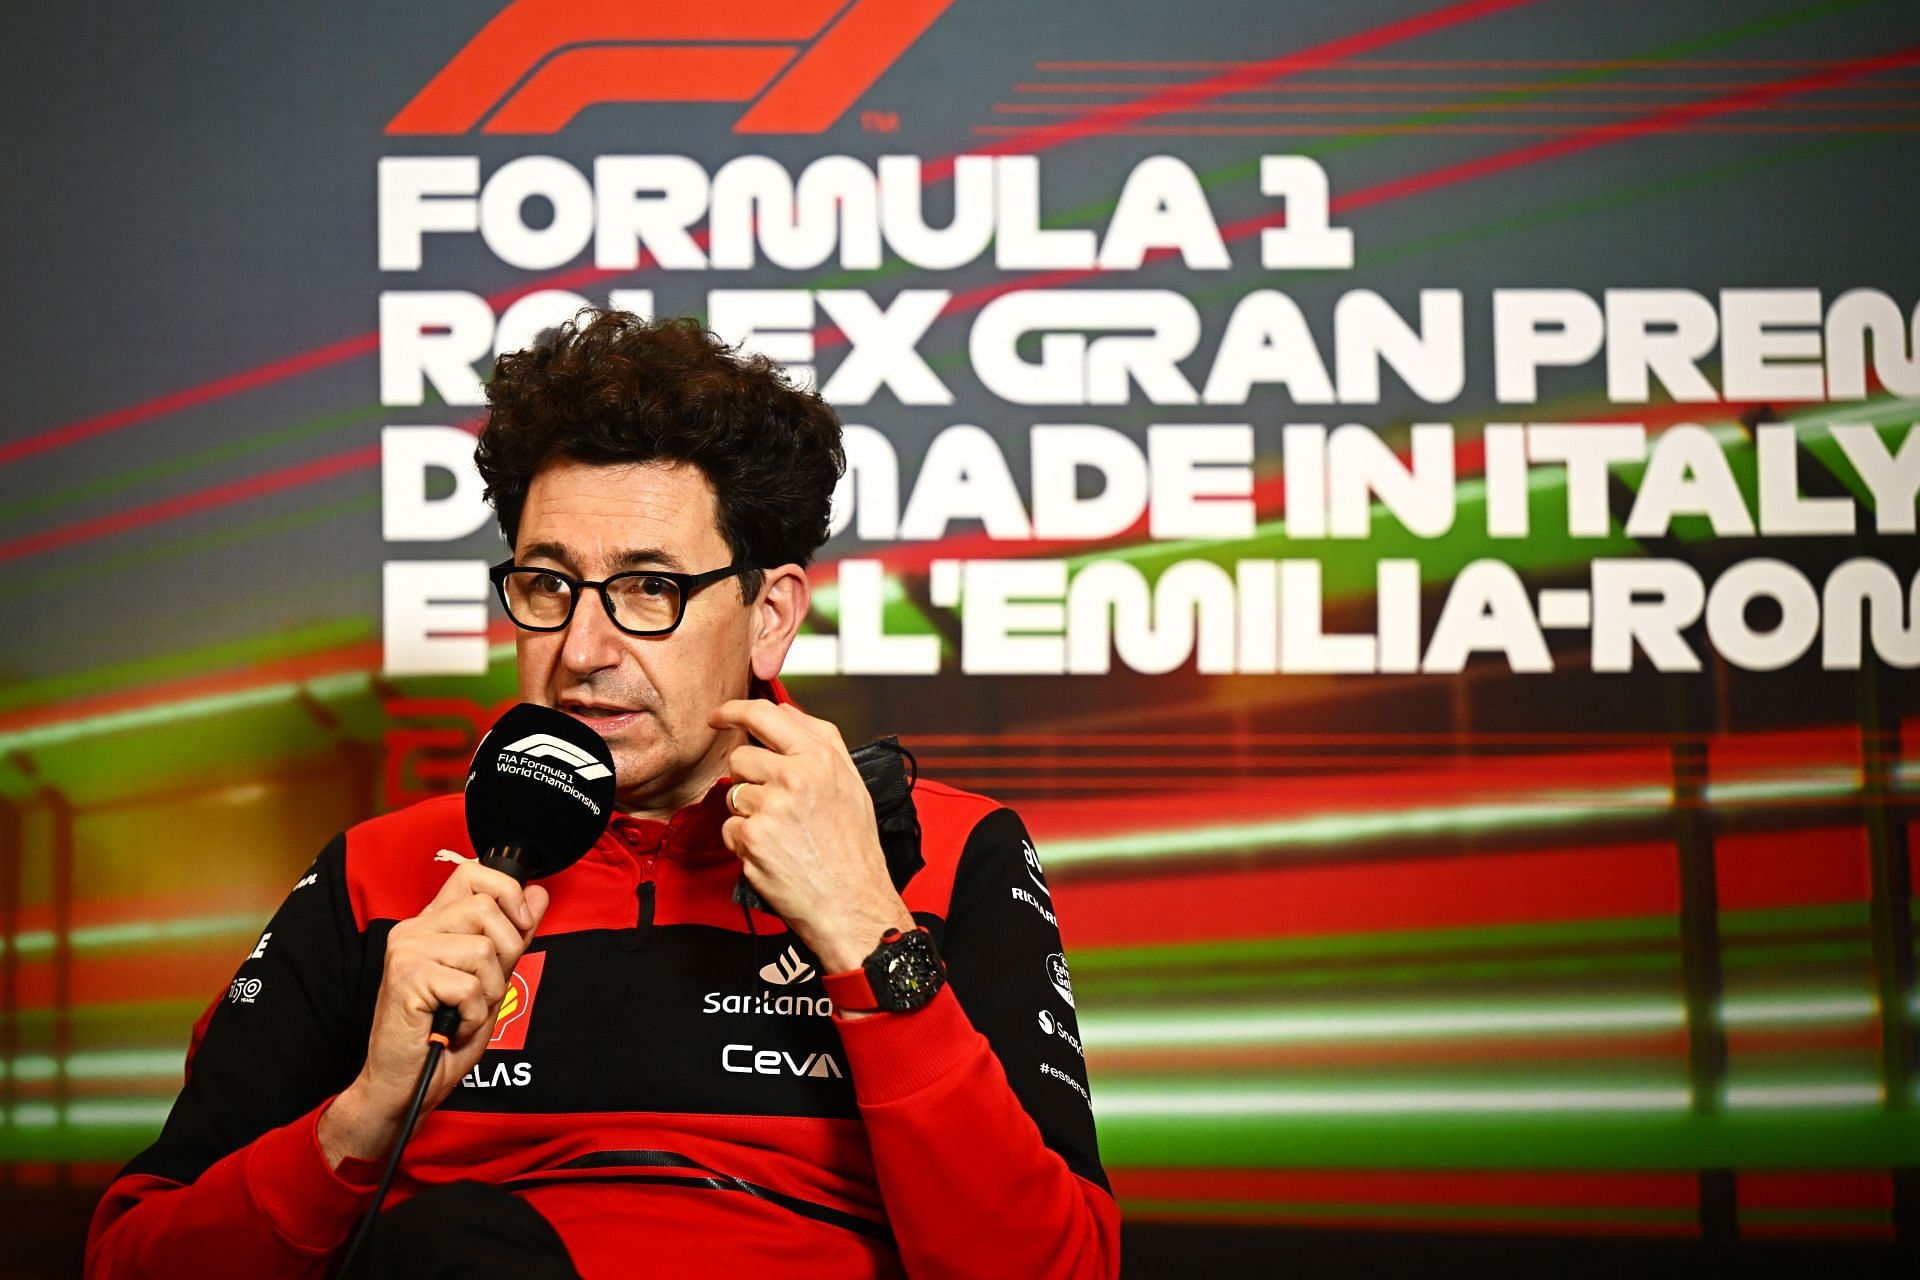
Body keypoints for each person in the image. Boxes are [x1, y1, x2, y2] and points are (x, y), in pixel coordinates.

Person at [83, 310, 1120, 1278]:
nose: (582, 650)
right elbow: (133, 1256)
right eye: (547, 584)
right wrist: (361, 1117)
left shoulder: (951, 848)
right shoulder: (381, 872)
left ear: (770, 614)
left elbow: (1060, 1264)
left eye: (647, 589)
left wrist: (867, 935)